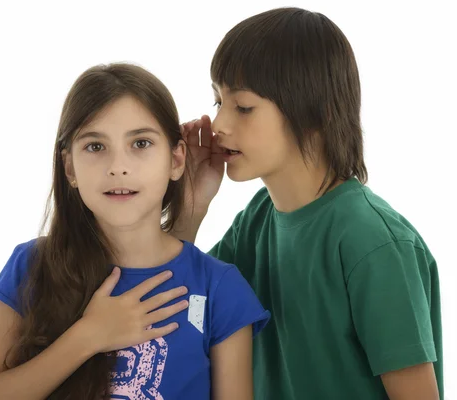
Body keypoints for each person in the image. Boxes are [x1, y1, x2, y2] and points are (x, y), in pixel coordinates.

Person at [176, 7, 443, 400]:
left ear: (316, 112)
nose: (219, 125)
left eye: (243, 106)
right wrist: (191, 207)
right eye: (218, 102)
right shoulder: (257, 220)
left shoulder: (373, 242)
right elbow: (178, 302)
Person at [0, 63, 269, 400]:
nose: (117, 167)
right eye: (95, 146)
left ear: (176, 159)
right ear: (70, 168)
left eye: (140, 143)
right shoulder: (34, 265)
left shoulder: (220, 289)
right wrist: (88, 336)